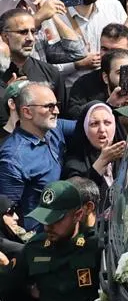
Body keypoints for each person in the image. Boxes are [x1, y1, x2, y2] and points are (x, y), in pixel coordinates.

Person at [0, 179, 101, 301]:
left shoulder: (94, 248)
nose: (47, 227)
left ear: (78, 214)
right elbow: (6, 283)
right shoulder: (35, 249)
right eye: (44, 220)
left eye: (56, 220)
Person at [0, 83, 76, 217]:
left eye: (56, 104)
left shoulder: (54, 129)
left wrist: (111, 107)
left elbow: (88, 125)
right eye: (49, 106)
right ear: (27, 112)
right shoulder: (13, 158)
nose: (57, 111)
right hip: (37, 234)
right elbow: (8, 214)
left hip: (61, 224)